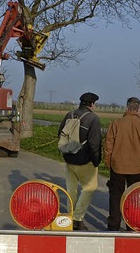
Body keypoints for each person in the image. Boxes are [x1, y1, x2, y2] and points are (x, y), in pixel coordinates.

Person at [104, 97, 140, 231]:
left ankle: (113, 225)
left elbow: (108, 146)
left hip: (117, 166)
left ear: (126, 107)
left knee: (115, 197)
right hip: (137, 168)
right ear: (138, 109)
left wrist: (108, 162)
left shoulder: (115, 124)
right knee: (134, 199)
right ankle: (132, 225)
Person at [57, 92, 102, 231]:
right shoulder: (93, 119)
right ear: (92, 104)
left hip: (69, 158)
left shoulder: (69, 115)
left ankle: (69, 217)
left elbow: (60, 134)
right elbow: (94, 144)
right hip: (84, 161)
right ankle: (78, 218)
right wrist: (96, 161)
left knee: (71, 189)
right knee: (89, 188)